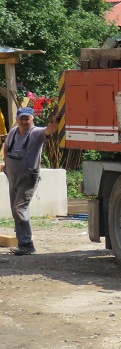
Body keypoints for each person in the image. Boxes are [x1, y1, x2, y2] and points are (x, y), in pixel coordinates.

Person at [2, 107, 57, 255]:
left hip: (27, 179)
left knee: (19, 209)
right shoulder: (13, 133)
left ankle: (26, 244)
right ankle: (22, 240)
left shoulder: (36, 133)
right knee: (16, 210)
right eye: (22, 118)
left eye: (27, 118)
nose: (24, 121)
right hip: (13, 177)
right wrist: (6, 164)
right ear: (17, 119)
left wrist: (56, 122)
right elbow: (6, 148)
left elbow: (49, 130)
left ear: (32, 119)